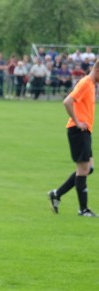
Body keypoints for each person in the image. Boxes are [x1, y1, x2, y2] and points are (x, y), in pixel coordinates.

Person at [48, 60, 99, 217]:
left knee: (87, 168)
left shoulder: (90, 85)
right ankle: (83, 209)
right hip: (78, 130)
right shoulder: (85, 83)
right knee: (83, 169)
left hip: (85, 130)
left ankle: (57, 194)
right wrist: (77, 121)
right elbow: (67, 101)